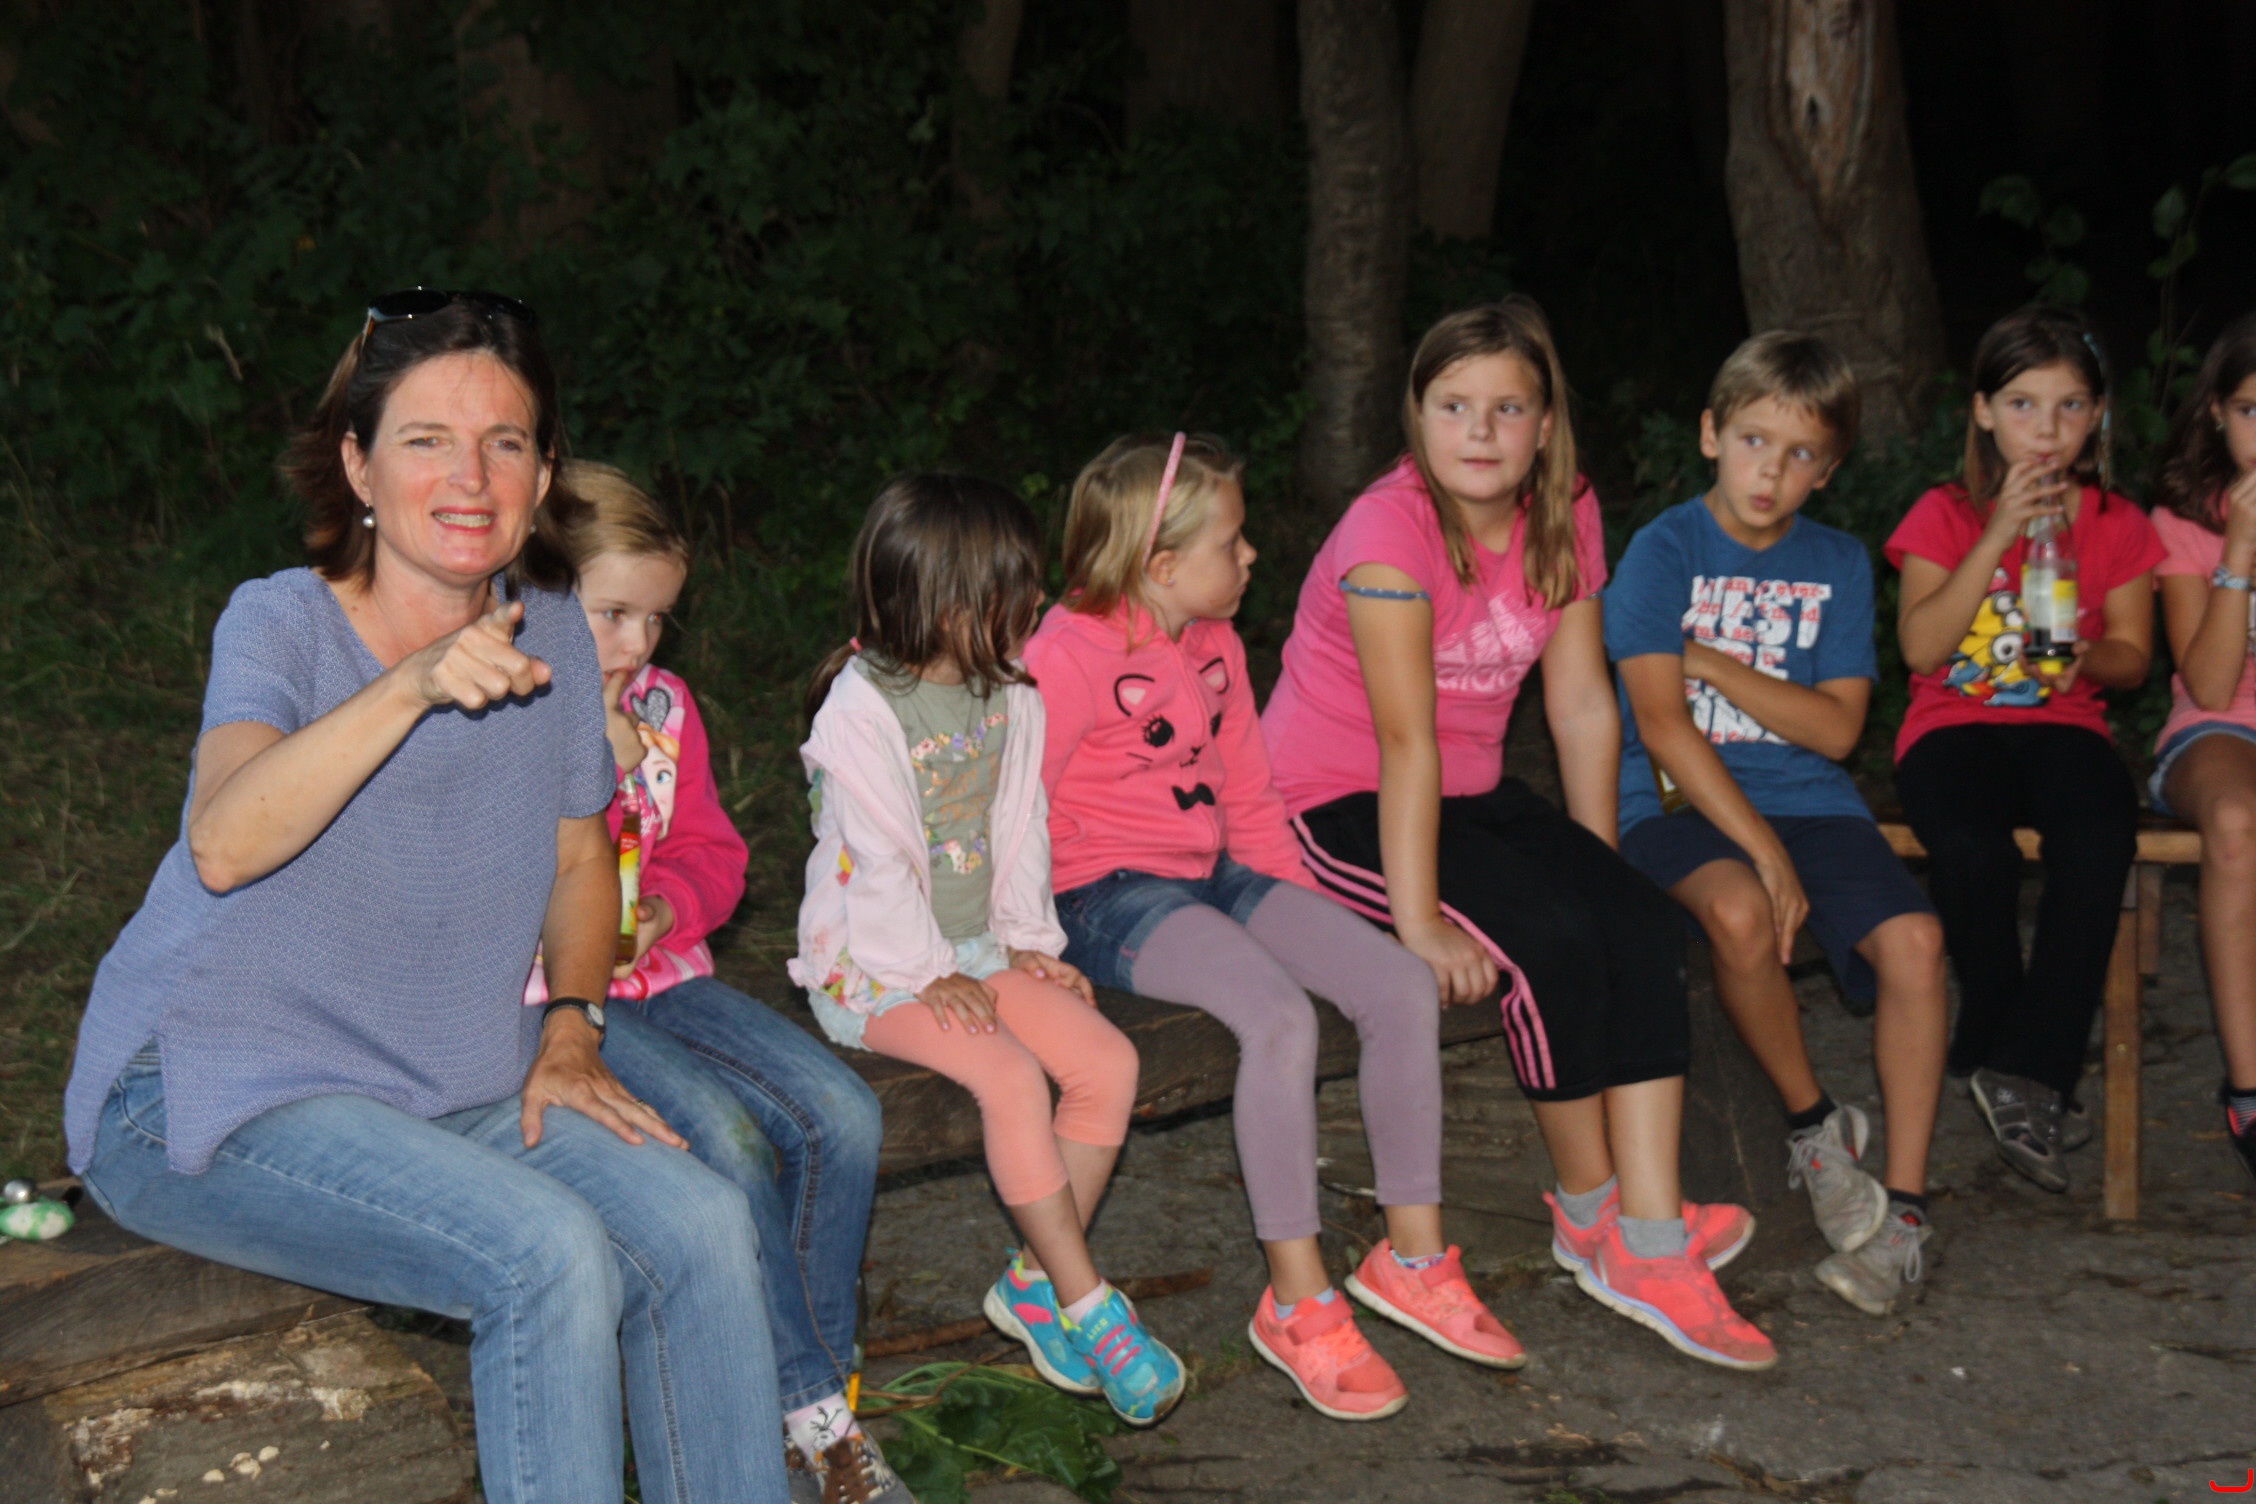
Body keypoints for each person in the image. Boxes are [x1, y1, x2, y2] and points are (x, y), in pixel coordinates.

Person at [62, 291, 785, 1504]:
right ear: (358, 464)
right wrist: (411, 685)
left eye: (506, 442)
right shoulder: (279, 622)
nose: (471, 476)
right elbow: (223, 844)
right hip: (205, 1091)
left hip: (446, 1078)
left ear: (543, 474)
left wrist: (572, 1025)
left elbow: (579, 863)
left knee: (704, 1227)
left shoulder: (557, 632)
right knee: (548, 1253)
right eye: (426, 440)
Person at [1262, 297, 1773, 1372]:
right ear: (1417, 416)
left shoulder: (1565, 509)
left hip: (1471, 790)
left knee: (1640, 924)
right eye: (1453, 405)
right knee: (1546, 940)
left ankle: (1649, 1227)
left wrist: (1599, 867)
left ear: (1546, 424)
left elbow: (1581, 704)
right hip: (1336, 799)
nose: (1480, 431)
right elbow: (1405, 742)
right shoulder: (1388, 534)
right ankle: (1595, 1219)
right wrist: (1417, 923)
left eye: (1507, 407)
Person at [1026, 432, 1521, 1422]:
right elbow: (1015, 806)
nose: (1251, 555)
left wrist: (1307, 919)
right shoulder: (1066, 652)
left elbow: (1249, 794)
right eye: (1233, 542)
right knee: (1279, 1017)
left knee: (1397, 983)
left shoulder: (1214, 645)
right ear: (1163, 563)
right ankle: (1298, 1301)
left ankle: (1412, 1257)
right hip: (1104, 895)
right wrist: (1023, 942)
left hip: (1217, 871)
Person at [527, 461, 903, 1503]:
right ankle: (815, 1423)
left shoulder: (666, 707)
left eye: (657, 619)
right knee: (724, 1141)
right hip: (551, 1004)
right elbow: (507, 877)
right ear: (538, 594)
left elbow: (711, 852)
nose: (638, 644)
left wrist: (668, 908)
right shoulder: (504, 713)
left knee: (843, 1113)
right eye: (612, 614)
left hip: (664, 976)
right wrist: (596, 760)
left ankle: (814, 1400)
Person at [790, 474, 1184, 1425]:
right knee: (1010, 1076)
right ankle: (1088, 1301)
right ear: (945, 605)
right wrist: (927, 973)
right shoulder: (860, 709)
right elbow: (876, 861)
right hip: (875, 968)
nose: (1035, 601)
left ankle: (1033, 1284)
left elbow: (1018, 828)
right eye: (1014, 588)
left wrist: (1026, 942)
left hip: (972, 951)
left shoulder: (1009, 695)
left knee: (1107, 1062)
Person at [1606, 332, 1947, 1316]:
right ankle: (1815, 1129)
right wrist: (1761, 849)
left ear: (1828, 470)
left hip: (1811, 799)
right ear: (1712, 434)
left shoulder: (1837, 562)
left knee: (1918, 943)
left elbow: (1837, 729)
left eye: (1800, 455)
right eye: (1755, 440)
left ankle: (1906, 1216)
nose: (1771, 472)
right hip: (1675, 799)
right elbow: (1661, 724)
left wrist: (1712, 662)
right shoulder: (1663, 549)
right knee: (1742, 912)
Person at [1888, 304, 2164, 1193]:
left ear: (2098, 416)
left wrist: (2089, 656)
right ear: (1982, 411)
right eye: (2022, 405)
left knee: (2100, 839)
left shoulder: (2116, 520)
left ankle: (2026, 1067)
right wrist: (2000, 531)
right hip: (1952, 724)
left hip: (2064, 723)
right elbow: (1922, 649)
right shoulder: (1943, 513)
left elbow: (2133, 656)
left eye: (2070, 406)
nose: (2046, 430)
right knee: (1972, 849)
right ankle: (2004, 1047)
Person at [2145, 311, 2256, 1186]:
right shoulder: (2183, 520)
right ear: (2218, 411)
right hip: (2221, 727)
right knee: (2234, 822)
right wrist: (2241, 550)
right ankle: (2250, 1091)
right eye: (2253, 411)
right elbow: (2211, 684)